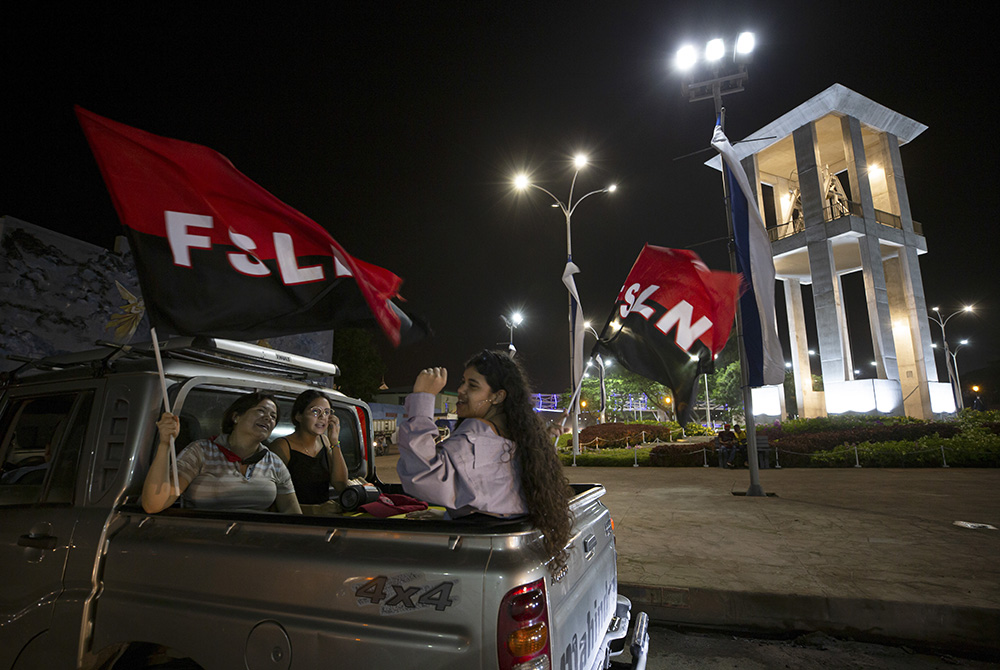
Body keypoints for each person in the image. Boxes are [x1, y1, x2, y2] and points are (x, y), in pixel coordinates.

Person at [397, 350, 572, 571]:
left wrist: (422, 399)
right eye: (463, 382)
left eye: (473, 385)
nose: (460, 390)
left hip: (475, 561)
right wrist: (451, 514)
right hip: (510, 556)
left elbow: (421, 474)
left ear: (498, 397)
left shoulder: (476, 438)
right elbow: (491, 496)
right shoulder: (516, 439)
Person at [142, 391, 301, 514]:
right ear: (236, 416)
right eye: (261, 411)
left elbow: (291, 512)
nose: (268, 418)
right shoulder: (200, 452)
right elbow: (154, 504)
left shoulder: (274, 462)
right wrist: (164, 444)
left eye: (273, 416)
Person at [269, 389, 350, 505]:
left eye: (327, 412)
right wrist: (314, 510)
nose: (322, 417)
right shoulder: (282, 446)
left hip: (323, 516)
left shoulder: (325, 442)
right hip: (294, 519)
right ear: (299, 416)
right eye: (316, 411)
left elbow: (340, 484)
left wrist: (335, 441)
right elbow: (273, 500)